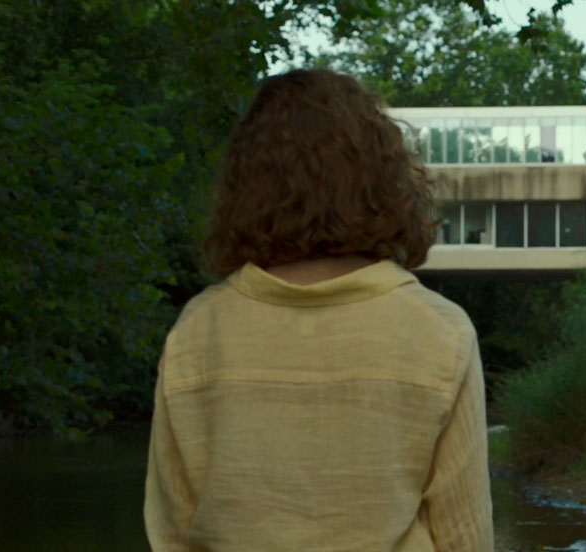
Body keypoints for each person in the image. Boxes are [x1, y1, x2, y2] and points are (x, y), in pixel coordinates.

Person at [144, 69, 494, 551]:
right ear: (381, 179)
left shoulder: (199, 330)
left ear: (246, 185)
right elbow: (463, 537)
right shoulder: (439, 331)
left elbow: (172, 532)